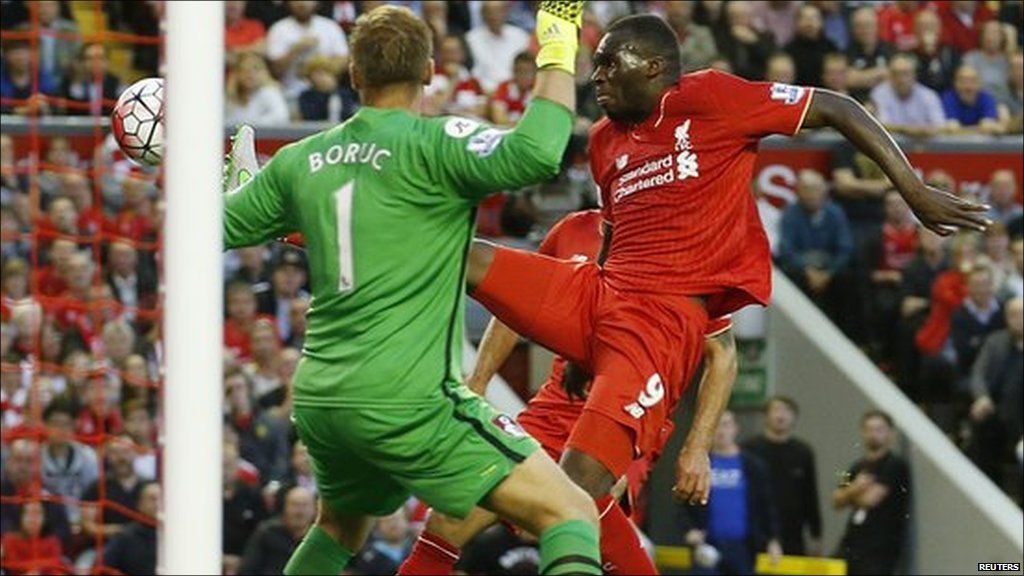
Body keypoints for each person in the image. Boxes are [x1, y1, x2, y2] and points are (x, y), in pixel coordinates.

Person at [463, 9, 984, 573]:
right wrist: (587, 342)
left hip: (658, 324)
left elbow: (839, 106)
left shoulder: (712, 97)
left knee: (569, 499)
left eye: (611, 63)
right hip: (599, 293)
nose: (598, 77)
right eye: (595, 65)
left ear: (657, 67)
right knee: (457, 251)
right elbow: (612, 237)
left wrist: (911, 189)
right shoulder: (603, 142)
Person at [223, 5, 606, 575]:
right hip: (405, 398)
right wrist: (557, 35)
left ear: (354, 74)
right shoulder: (437, 144)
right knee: (571, 511)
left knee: (339, 528)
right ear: (430, 70)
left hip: (324, 398)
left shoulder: (301, 160)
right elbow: (540, 150)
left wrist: (232, 188)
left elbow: (219, 225)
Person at [398, 209, 738, 576]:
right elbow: (517, 302)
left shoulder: (681, 245)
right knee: (448, 523)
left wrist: (698, 447)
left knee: (576, 517)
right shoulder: (573, 230)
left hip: (628, 412)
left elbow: (723, 352)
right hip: (555, 410)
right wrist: (477, 382)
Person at [678, 411, 781, 576]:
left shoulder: (753, 466)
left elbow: (766, 504)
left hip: (743, 546)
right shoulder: (698, 466)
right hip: (707, 544)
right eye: (717, 426)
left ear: (735, 429)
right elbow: (683, 502)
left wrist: (773, 539)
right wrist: (688, 530)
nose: (721, 431)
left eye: (726, 425)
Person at [833, 410, 911, 576]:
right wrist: (856, 487)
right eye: (868, 429)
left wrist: (850, 495)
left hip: (879, 547)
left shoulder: (895, 465)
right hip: (851, 542)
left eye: (879, 429)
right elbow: (836, 499)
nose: (873, 434)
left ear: (890, 433)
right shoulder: (854, 467)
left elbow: (871, 500)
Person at [743, 396, 822, 556]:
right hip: (756, 528)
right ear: (766, 415)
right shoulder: (749, 450)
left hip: (792, 530)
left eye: (787, 411)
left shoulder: (803, 452)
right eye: (776, 410)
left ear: (794, 417)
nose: (781, 415)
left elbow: (810, 495)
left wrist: (816, 533)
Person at [967, 297, 1023, 484]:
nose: (1019, 319)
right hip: (999, 411)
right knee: (981, 420)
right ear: (1006, 318)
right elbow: (978, 373)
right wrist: (982, 397)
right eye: (1014, 315)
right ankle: (989, 486)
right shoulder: (995, 342)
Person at [266, 0, 348, 98]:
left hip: (327, 91)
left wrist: (318, 70)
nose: (302, 4)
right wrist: (296, 49)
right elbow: (275, 70)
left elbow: (343, 60)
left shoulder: (330, 26)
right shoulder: (279, 29)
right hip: (290, 93)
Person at [238, 486, 317, 576]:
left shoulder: (321, 539)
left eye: (305, 505)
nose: (300, 511)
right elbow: (247, 569)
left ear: (315, 509)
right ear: (285, 507)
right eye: (294, 505)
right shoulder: (266, 532)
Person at [870, 53, 947, 137]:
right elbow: (880, 125)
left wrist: (923, 131)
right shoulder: (879, 93)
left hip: (926, 147)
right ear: (890, 76)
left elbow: (940, 125)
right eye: (896, 74)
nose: (901, 79)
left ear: (914, 75)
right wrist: (907, 129)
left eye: (905, 73)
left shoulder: (928, 95)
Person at [465, 1, 531, 93]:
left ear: (506, 12)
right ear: (482, 15)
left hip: (515, 91)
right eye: (489, 12)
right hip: (482, 92)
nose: (494, 16)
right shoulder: (471, 39)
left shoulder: (520, 36)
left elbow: (525, 68)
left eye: (498, 11)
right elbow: (472, 71)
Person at [102, 481, 159, 576]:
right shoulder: (125, 537)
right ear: (140, 504)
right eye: (152, 499)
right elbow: (104, 567)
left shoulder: (182, 536)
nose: (158, 504)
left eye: (161, 499)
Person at [942, 64, 1006, 135]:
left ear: (980, 84)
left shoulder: (987, 98)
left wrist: (961, 130)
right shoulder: (948, 98)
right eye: (963, 81)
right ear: (956, 83)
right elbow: (952, 129)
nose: (968, 86)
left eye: (973, 81)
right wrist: (980, 129)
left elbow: (988, 126)